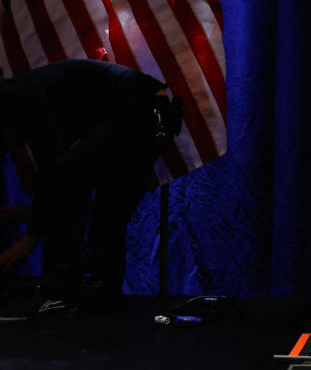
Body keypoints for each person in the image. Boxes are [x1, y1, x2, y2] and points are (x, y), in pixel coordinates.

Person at [0, 59, 182, 321]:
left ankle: (59, 295)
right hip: (150, 116)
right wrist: (34, 213)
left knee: (76, 185)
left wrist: (30, 237)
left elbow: (59, 176)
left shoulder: (27, 99)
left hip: (145, 113)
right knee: (108, 214)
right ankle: (101, 298)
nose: (10, 150)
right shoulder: (23, 96)